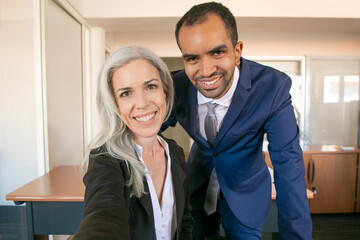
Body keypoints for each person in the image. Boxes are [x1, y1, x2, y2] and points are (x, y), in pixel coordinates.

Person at [161, 2, 312, 239]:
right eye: (192, 58)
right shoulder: (175, 87)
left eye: (217, 52)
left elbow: (288, 168)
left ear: (237, 51)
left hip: (246, 192)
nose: (206, 70)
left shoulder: (272, 88)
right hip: (196, 188)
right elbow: (146, 128)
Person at [74, 45, 193, 240]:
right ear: (115, 104)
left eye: (151, 86)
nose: (142, 103)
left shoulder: (175, 151)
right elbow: (103, 212)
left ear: (165, 90)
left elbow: (185, 219)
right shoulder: (106, 158)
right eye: (126, 93)